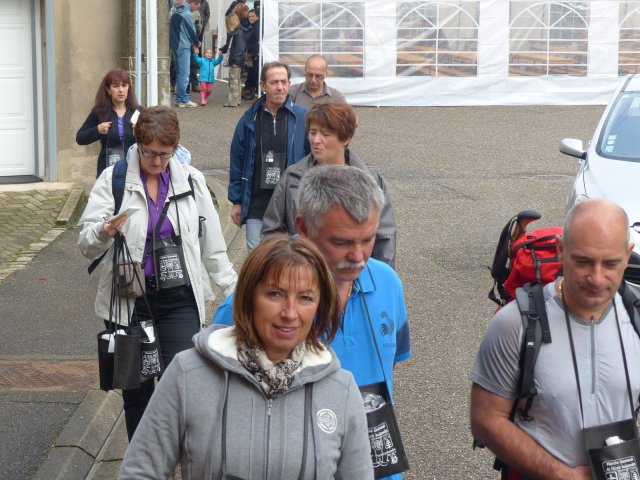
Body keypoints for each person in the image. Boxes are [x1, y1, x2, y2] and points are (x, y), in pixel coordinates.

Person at [119, 234, 374, 479]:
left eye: (305, 298)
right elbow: (140, 472)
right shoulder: (188, 374)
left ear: (320, 305)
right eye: (275, 294)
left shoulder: (341, 390)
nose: (290, 313)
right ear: (248, 296)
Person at [216, 166, 411, 480]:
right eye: (342, 242)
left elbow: (393, 362)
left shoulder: (388, 283)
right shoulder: (250, 305)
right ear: (303, 227)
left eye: (367, 239)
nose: (358, 256)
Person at [78, 106, 237, 440]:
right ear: (138, 144)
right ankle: (143, 462)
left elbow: (212, 245)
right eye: (149, 152)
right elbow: (86, 244)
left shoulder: (191, 180)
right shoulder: (115, 180)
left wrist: (233, 290)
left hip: (179, 300)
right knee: (136, 393)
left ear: (175, 147)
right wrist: (104, 231)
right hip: (130, 302)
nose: (157, 160)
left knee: (183, 385)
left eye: (165, 153)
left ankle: (178, 455)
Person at [470, 198, 640, 480]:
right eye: (583, 261)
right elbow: (486, 420)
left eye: (610, 263)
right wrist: (561, 474)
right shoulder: (515, 324)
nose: (597, 278)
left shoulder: (635, 318)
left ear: (627, 255)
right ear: (561, 250)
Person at [262, 102, 397, 268]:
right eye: (312, 132)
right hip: (304, 275)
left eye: (325, 134)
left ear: (345, 138)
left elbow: (385, 236)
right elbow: (271, 232)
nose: (315, 140)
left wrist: (378, 277)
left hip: (356, 273)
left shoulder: (371, 179)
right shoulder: (292, 177)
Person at [228, 61, 309, 250]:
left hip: (292, 202)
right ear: (263, 85)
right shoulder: (250, 118)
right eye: (274, 82)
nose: (280, 87)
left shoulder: (303, 117)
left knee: (291, 255)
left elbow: (313, 159)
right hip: (257, 203)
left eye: (284, 82)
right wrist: (236, 201)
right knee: (258, 257)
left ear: (289, 84)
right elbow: (237, 159)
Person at [76, 69, 142, 178]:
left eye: (124, 86)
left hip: (134, 169)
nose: (121, 90)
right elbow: (80, 138)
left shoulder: (138, 111)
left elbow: (153, 139)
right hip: (107, 171)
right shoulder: (100, 112)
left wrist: (141, 133)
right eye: (116, 86)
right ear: (108, 90)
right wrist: (97, 130)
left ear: (128, 88)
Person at [170, 0, 200, 108]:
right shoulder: (187, 14)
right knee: (184, 74)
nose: (198, 7)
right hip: (183, 45)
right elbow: (191, 31)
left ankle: (179, 99)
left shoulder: (175, 11)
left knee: (179, 73)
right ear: (192, 3)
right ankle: (183, 99)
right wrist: (196, 43)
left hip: (175, 45)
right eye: (197, 4)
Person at [219, 2, 249, 108]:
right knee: (237, 81)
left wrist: (234, 60)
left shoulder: (236, 33)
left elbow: (238, 49)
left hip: (236, 60)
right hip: (238, 59)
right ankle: (237, 100)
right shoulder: (239, 32)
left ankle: (232, 102)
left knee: (233, 81)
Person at [242, 8, 260, 101]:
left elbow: (258, 41)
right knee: (251, 73)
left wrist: (255, 54)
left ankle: (253, 93)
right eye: (249, 16)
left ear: (257, 16)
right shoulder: (252, 26)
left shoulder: (257, 26)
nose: (251, 18)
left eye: (253, 16)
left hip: (254, 55)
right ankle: (251, 91)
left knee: (254, 74)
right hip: (251, 54)